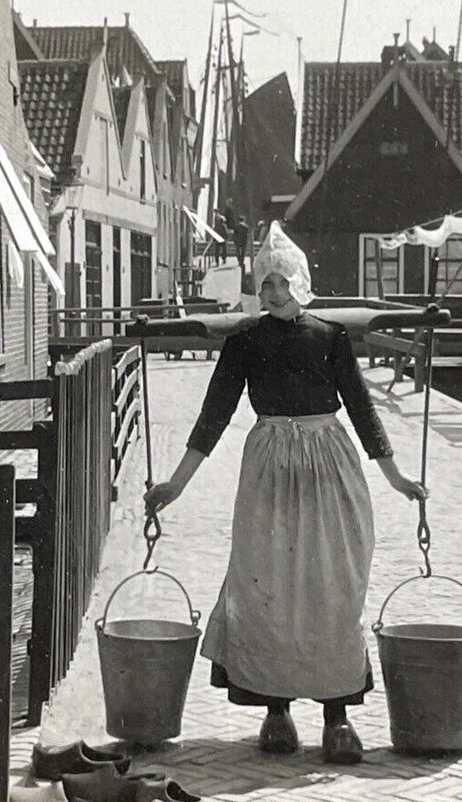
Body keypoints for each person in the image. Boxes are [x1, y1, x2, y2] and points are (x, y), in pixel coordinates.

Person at [145, 222, 427, 764]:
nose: (276, 292)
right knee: (267, 585)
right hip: (269, 467)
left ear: (302, 280)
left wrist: (396, 478)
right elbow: (214, 416)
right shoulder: (245, 341)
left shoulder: (330, 336)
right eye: (267, 282)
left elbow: (363, 410)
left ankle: (337, 716)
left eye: (284, 280)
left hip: (328, 463)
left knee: (332, 585)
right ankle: (276, 710)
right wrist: (175, 485)